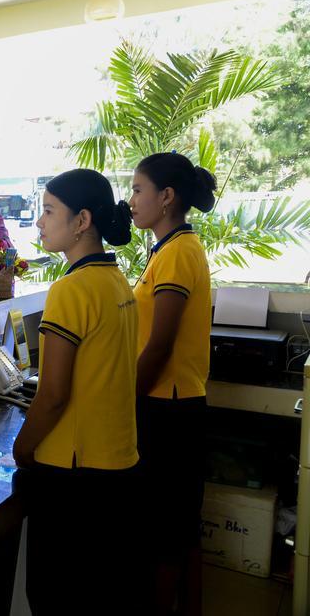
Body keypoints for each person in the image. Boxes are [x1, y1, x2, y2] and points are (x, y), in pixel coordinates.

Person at [12, 168, 142, 614]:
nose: (40, 222)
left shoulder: (70, 290)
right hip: (118, 462)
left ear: (82, 220)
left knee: (54, 596)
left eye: (49, 211)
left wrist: (23, 448)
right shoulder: (117, 281)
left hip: (74, 471)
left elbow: (52, 395)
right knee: (96, 595)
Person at [130, 152, 216, 616]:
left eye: (138, 190)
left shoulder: (180, 250)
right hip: (166, 402)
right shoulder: (166, 248)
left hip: (169, 406)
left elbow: (159, 346)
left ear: (166, 197)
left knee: (168, 529)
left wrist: (124, 402)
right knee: (177, 525)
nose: (130, 201)